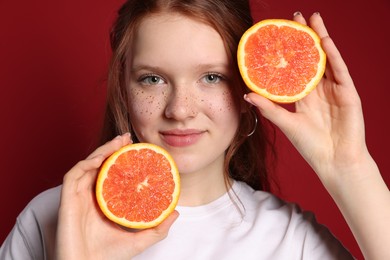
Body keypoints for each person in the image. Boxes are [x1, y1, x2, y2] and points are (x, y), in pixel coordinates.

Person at [1, 0, 389, 259]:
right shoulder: (54, 216)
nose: (180, 110)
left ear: (246, 88)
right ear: (124, 86)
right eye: (152, 79)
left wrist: (348, 165)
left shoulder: (291, 241)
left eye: (211, 77)